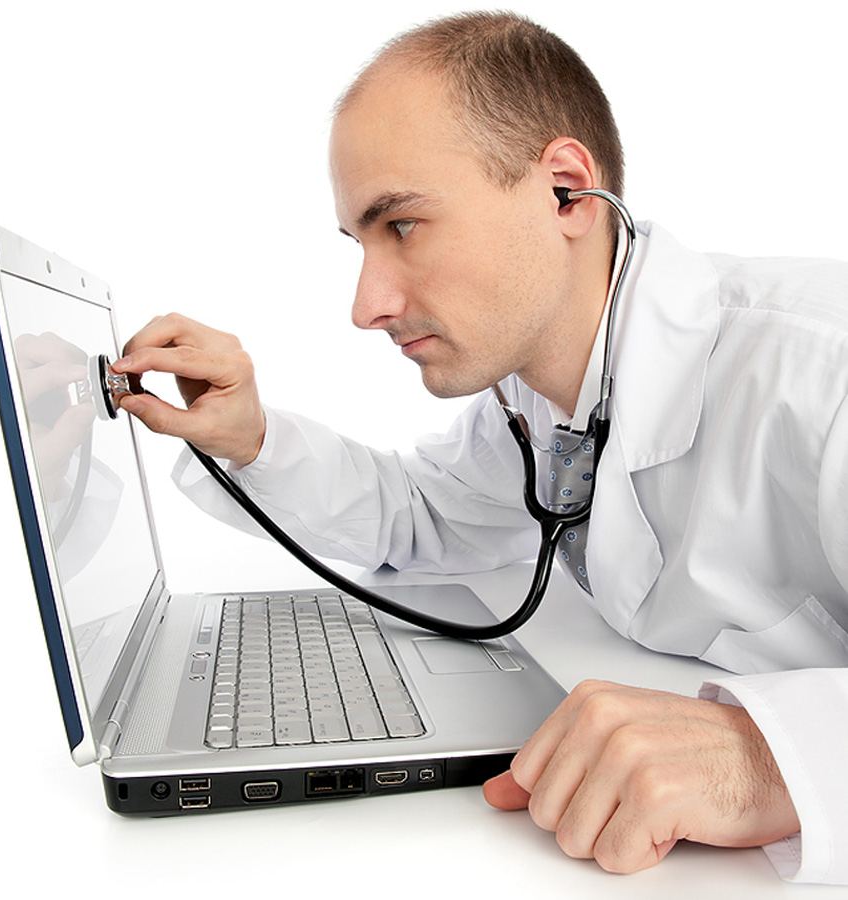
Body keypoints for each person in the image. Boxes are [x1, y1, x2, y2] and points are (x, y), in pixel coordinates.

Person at [111, 11, 848, 884]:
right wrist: (252, 438)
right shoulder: (539, 390)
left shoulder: (821, 371)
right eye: (360, 243)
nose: (367, 306)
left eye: (402, 225)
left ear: (565, 190)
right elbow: (424, 517)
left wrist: (770, 761)